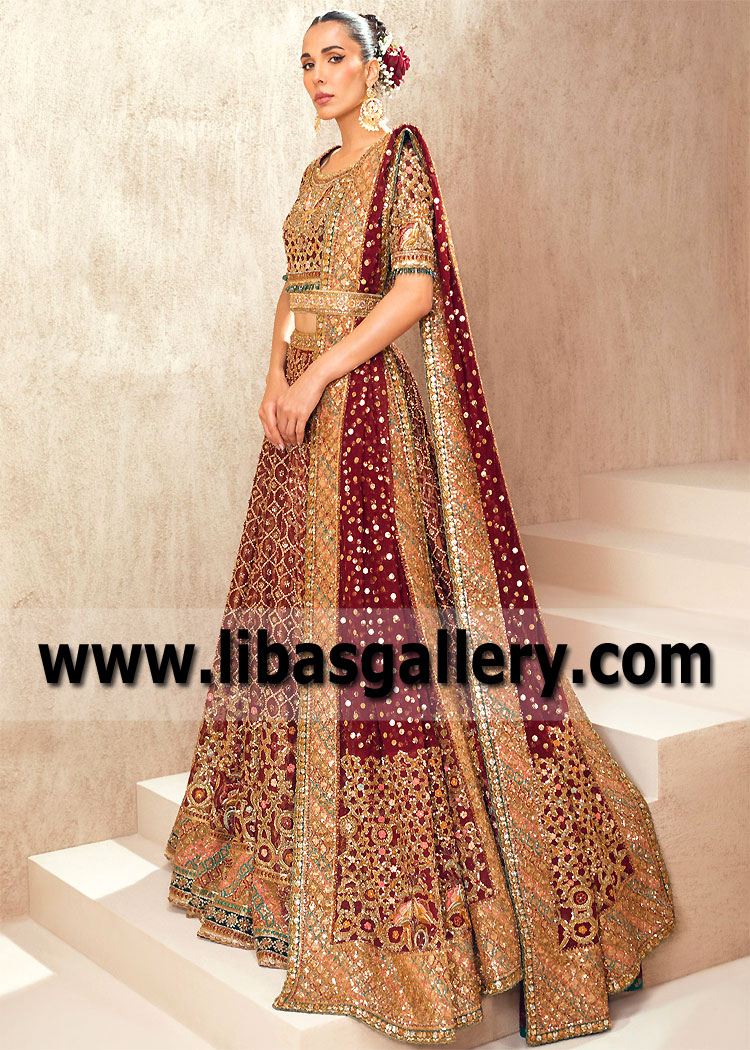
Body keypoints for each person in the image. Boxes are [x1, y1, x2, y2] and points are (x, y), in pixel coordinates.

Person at [164, 10, 675, 1045]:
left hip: (359, 418)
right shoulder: (313, 176)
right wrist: (272, 380)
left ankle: (415, 908)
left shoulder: (399, 156)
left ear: (375, 67)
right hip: (297, 423)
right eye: (306, 64)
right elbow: (292, 290)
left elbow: (414, 290)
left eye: (335, 59)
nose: (318, 77)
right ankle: (299, 866)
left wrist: (317, 374)